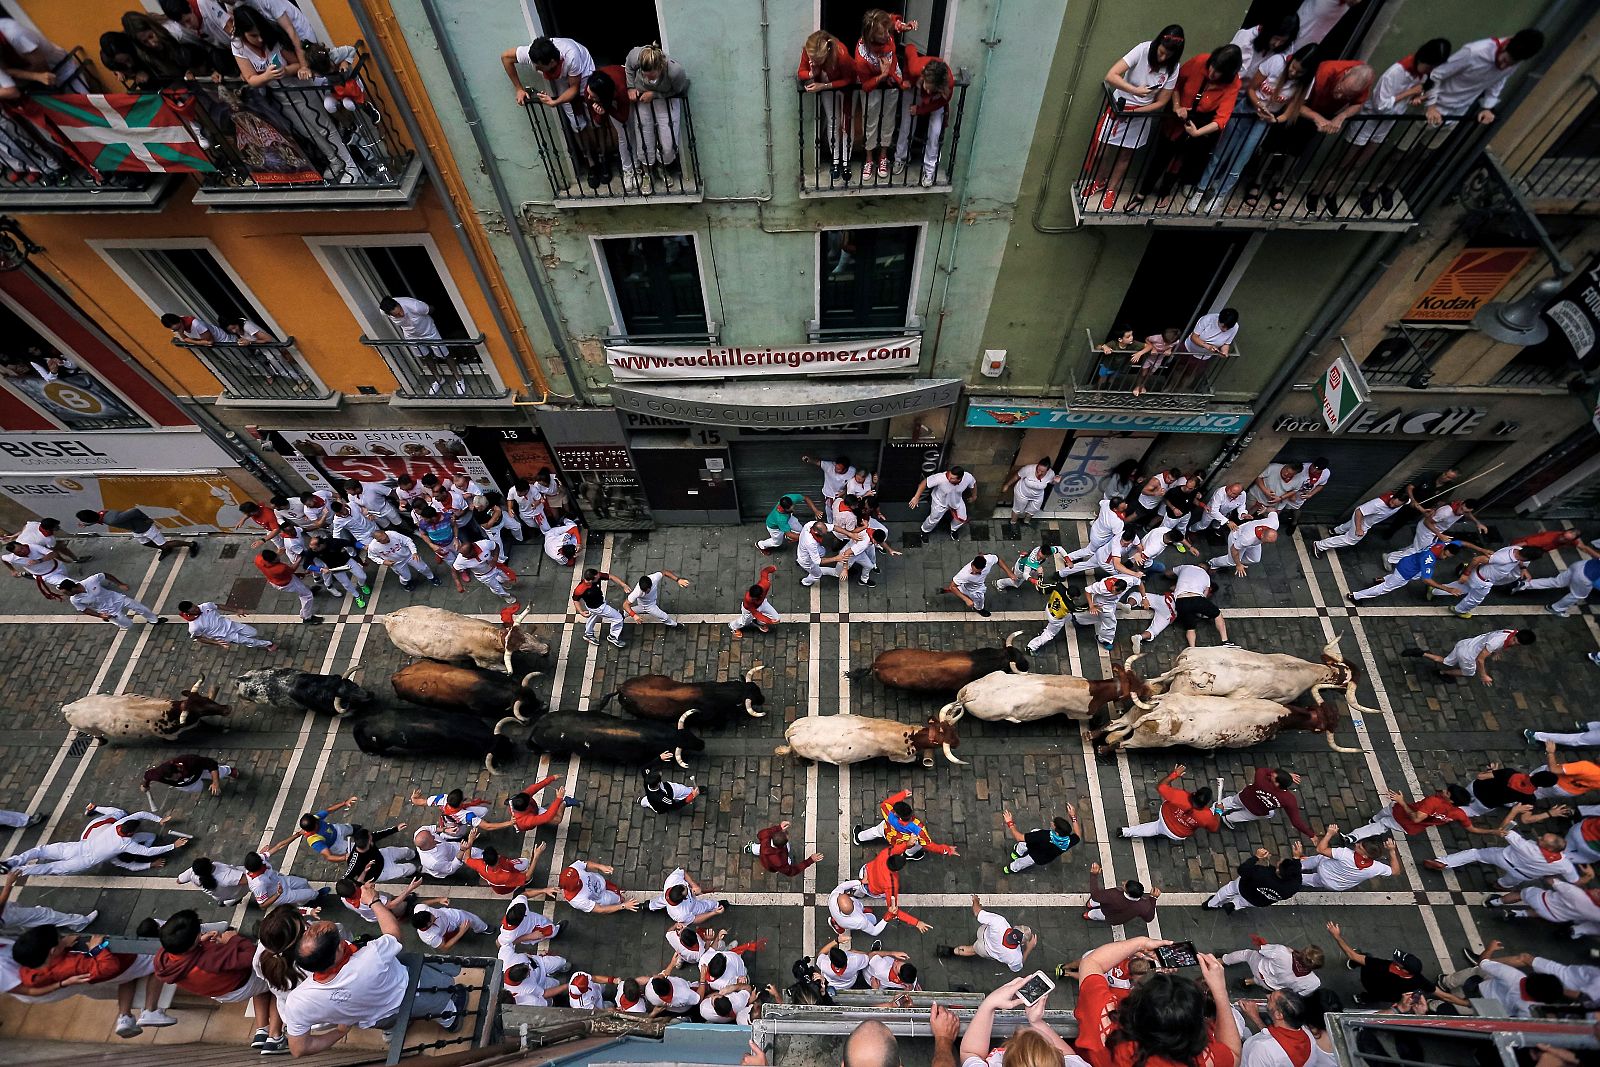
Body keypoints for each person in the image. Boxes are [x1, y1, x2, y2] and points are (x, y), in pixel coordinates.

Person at [257, 901, 463, 1055]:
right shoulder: (366, 958)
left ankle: (393, 1029)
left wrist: (340, 1032)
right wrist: (373, 900)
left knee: (387, 1019)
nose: (309, 927)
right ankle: (449, 1018)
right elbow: (393, 935)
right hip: (405, 991)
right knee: (437, 999)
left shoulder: (291, 992)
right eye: (304, 928)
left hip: (369, 1016)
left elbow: (299, 1048)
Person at [1075, 935, 1242, 1067]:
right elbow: (1233, 1054)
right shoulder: (1202, 1060)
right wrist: (1220, 992)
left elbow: (1091, 962)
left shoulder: (1107, 1027)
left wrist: (1141, 942)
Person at [1191, 18, 1301, 212]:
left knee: (1241, 158)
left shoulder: (1285, 55)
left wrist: (1272, 116)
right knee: (1220, 151)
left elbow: (1291, 106)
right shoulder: (1247, 38)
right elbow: (1237, 76)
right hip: (1239, 101)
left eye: (1281, 41)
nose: (1276, 44)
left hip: (1260, 113)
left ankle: (1219, 194)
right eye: (1275, 38)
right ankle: (1201, 189)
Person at [153, 909, 283, 1054]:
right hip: (242, 983)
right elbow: (250, 957)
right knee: (278, 981)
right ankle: (275, 1037)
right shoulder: (209, 959)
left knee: (262, 988)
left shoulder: (163, 959)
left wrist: (201, 941)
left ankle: (262, 1030)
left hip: (222, 991)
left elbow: (188, 958)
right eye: (199, 932)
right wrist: (233, 939)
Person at [10, 926, 167, 1038]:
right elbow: (109, 967)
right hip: (122, 962)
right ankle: (150, 1010)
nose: (62, 938)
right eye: (59, 939)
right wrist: (96, 949)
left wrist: (63, 946)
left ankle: (125, 1018)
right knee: (158, 961)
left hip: (110, 974)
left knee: (128, 978)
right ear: (52, 951)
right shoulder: (72, 965)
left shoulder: (30, 971)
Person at [1090, 27, 1185, 211]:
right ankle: (1099, 181)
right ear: (1157, 44)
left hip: (1141, 113)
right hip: (1120, 107)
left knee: (1126, 154)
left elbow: (1161, 102)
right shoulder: (1142, 49)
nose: (1163, 58)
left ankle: (1111, 189)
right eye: (1161, 53)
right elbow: (1111, 76)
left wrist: (1138, 111)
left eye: (1168, 56)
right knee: (1101, 150)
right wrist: (1135, 91)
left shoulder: (1174, 68)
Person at [2, 804, 188, 876]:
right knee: (51, 867)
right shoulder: (126, 845)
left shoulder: (119, 824)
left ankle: (12, 863)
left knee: (42, 850)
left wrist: (159, 819)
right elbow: (148, 851)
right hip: (83, 860)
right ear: (130, 835)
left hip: (77, 848)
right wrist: (173, 845)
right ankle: (17, 871)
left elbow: (139, 814)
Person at [1323, 921, 1468, 1009]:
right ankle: (1363, 999)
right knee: (1376, 995)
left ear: (1401, 968)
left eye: (1398, 961)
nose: (1395, 961)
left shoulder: (1382, 966)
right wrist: (1467, 1004)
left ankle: (1354, 965)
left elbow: (1352, 954)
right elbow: (1445, 996)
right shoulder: (1418, 980)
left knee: (1364, 957)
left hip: (1369, 980)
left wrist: (1336, 935)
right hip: (1384, 994)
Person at [1424, 30, 1544, 128]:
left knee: (1432, 147)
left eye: (1509, 65)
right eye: (1504, 61)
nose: (1503, 67)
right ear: (1505, 47)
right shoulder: (1474, 52)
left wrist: (1487, 108)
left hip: (1460, 111)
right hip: (1436, 104)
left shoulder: (1517, 59)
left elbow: (1499, 81)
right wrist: (1431, 106)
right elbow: (1436, 74)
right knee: (1410, 141)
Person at [1422, 817, 1586, 887]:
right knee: (1508, 883)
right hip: (1523, 875)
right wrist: (1589, 876)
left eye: (1544, 839)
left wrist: (1514, 812)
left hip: (1503, 858)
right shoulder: (1565, 865)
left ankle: (1444, 862)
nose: (1541, 837)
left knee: (1475, 853)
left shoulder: (1526, 847)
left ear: (1550, 848)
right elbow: (1574, 881)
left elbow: (1505, 829)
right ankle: (1498, 886)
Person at [853, 9, 915, 184]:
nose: (888, 35)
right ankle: (869, 159)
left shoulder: (885, 28)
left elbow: (894, 21)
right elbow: (865, 85)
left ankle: (883, 157)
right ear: (870, 35)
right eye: (882, 34)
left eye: (887, 31)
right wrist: (882, 75)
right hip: (872, 84)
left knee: (888, 119)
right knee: (870, 121)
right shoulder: (862, 57)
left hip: (892, 80)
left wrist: (904, 26)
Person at [1437, 941, 1569, 1018]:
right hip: (1485, 1008)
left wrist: (1490, 949)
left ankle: (1445, 982)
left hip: (1478, 987)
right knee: (1463, 1008)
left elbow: (1483, 962)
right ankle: (1434, 1005)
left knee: (1479, 969)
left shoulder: (1514, 977)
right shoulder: (1530, 1008)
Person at [624, 43, 689, 188]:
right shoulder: (636, 56)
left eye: (651, 74)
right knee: (644, 137)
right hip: (642, 100)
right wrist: (631, 87)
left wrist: (655, 94)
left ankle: (663, 168)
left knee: (668, 142)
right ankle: (647, 173)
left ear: (660, 67)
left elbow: (679, 90)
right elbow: (628, 65)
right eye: (644, 73)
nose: (647, 77)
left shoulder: (674, 71)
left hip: (666, 99)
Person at [1345, 788, 1514, 842]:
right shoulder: (1458, 814)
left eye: (1447, 792)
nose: (1444, 791)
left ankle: (1353, 837)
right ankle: (1368, 824)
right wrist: (1493, 831)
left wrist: (1402, 801)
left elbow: (1416, 817)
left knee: (1380, 824)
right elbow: (1472, 829)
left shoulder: (1434, 801)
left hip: (1405, 815)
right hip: (1410, 827)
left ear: (1451, 799)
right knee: (1382, 818)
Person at [1429, 544, 1544, 617]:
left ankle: (1434, 590)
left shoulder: (1517, 549)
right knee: (1474, 600)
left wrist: (1523, 568)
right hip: (1482, 581)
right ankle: (1459, 610)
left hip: (1478, 574)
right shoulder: (1502, 559)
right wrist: (1465, 574)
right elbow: (1476, 559)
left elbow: (1519, 560)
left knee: (1460, 588)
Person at [895, 43, 953, 186]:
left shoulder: (947, 86)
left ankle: (929, 169)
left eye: (931, 89)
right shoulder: (917, 67)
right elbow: (909, 48)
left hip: (934, 99)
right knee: (906, 123)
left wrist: (920, 110)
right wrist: (907, 77)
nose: (928, 91)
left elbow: (938, 104)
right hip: (914, 85)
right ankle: (900, 158)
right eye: (928, 86)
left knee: (935, 131)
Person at [378, 295, 461, 395]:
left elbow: (431, 309)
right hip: (411, 335)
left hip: (429, 331)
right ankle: (439, 379)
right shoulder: (383, 312)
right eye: (397, 315)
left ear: (399, 304)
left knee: (444, 354)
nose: (401, 314)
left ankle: (459, 379)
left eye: (400, 311)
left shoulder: (416, 306)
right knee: (424, 356)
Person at [1136, 563, 1229, 650]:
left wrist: (1177, 578)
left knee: (1190, 627)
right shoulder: (1206, 576)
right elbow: (1205, 593)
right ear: (1206, 570)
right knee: (1217, 614)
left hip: (1181, 601)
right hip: (1196, 598)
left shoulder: (1185, 567)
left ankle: (1192, 648)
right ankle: (1225, 641)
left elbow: (1167, 573)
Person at [1404, 627, 1534, 687]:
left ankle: (1421, 653)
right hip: (1469, 655)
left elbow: (1499, 643)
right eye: (1515, 640)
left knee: (1445, 660)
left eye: (1516, 643)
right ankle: (1442, 673)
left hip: (1465, 644)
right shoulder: (1497, 642)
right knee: (1469, 673)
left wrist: (1496, 652)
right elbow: (1480, 659)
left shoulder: (1510, 632)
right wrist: (1483, 675)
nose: (1513, 643)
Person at [1122, 763, 1220, 841]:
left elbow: (1160, 787)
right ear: (1205, 804)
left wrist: (1174, 774)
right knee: (1154, 829)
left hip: (1164, 816)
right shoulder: (1207, 816)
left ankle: (1126, 832)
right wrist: (1218, 812)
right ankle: (1127, 832)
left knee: (1155, 828)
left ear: (1194, 793)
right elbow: (1214, 828)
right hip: (1177, 834)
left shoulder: (1180, 796)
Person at [936, 896, 1034, 973]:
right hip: (984, 950)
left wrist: (975, 900)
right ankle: (949, 952)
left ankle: (949, 950)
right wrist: (1028, 949)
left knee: (978, 937)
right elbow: (1017, 968)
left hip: (982, 932)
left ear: (1015, 927)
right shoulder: (1015, 956)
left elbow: (977, 912)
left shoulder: (999, 922)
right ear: (1021, 944)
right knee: (972, 950)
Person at [1346, 538, 1461, 603]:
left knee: (1394, 577)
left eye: (1447, 557)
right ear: (1445, 549)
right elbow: (1426, 580)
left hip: (1407, 563)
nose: (1444, 558)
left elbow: (1459, 542)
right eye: (1445, 555)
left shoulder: (1443, 543)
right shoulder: (1428, 559)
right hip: (1406, 572)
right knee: (1384, 589)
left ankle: (1380, 579)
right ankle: (1355, 596)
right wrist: (1447, 588)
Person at [1384, 498, 1485, 566]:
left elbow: (1467, 514)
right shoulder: (1445, 512)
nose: (1461, 513)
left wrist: (1477, 523)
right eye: (1462, 509)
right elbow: (1427, 522)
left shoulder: (1462, 507)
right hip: (1427, 529)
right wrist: (1439, 535)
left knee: (1418, 546)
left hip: (1434, 531)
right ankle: (1389, 558)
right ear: (1462, 503)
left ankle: (1402, 551)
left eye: (1465, 511)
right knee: (1419, 550)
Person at [1204, 843, 1304, 911]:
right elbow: (1295, 871)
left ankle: (1210, 904)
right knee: (1242, 902)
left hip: (1243, 887)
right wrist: (1296, 858)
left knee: (1228, 890)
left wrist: (1256, 857)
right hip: (1259, 901)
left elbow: (1242, 870)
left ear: (1278, 870)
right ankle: (1233, 905)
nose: (1278, 861)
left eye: (1278, 864)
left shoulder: (1261, 873)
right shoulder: (1294, 885)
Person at [1218, 768, 1315, 837]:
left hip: (1244, 797)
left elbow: (1264, 770)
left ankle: (1216, 808)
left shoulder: (1260, 779)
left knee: (1231, 801)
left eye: (1273, 776)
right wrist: (1311, 835)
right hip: (1256, 811)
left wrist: (1287, 774)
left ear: (1277, 783)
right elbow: (1296, 821)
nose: (1271, 774)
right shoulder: (1289, 799)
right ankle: (1228, 819)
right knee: (1265, 814)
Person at [1298, 825, 1397, 891]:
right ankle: (1294, 878)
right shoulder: (1376, 868)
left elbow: (1320, 849)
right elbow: (1395, 871)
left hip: (1324, 869)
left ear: (1365, 855)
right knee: (1310, 880)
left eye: (1360, 847)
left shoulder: (1345, 854)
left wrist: (1329, 834)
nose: (1356, 844)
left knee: (1320, 857)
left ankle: (1296, 866)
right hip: (1335, 885)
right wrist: (1392, 851)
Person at [1487, 879, 1600, 936]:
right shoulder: (1597, 913)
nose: (1596, 889)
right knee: (1542, 911)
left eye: (1598, 893)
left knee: (1519, 894)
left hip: (1539, 899)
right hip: (1554, 917)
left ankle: (1495, 901)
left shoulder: (1575, 892)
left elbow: (1552, 881)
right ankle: (1516, 913)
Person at [1312, 490, 1407, 557]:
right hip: (1362, 520)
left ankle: (1335, 530)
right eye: (1392, 502)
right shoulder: (1378, 504)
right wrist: (1358, 528)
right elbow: (1359, 511)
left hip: (1366, 518)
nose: (1392, 505)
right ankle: (1319, 545)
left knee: (1350, 524)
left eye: (1396, 505)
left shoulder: (1405, 500)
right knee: (1351, 540)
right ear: (1393, 497)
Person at [0, 869, 96, 935]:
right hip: (4, 916)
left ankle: (41, 923)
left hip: (6, 915)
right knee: (45, 914)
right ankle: (79, 923)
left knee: (25, 916)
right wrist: (9, 883)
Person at [76, 507, 196, 559]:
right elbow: (97, 520)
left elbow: (135, 511)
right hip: (137, 530)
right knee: (145, 543)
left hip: (146, 527)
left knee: (165, 544)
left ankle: (191, 545)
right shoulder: (102, 514)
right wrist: (87, 524)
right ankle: (164, 549)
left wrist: (146, 518)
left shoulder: (112, 519)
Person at [476, 775, 580, 834]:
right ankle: (564, 802)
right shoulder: (526, 821)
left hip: (533, 812)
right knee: (556, 820)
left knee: (551, 819)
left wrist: (552, 778)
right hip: (534, 814)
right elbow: (547, 817)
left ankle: (563, 802)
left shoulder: (523, 797)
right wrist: (558, 799)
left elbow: (536, 787)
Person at [59, 572, 163, 630]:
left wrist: (119, 584)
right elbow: (84, 610)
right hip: (108, 611)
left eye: (66, 592)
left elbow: (105, 575)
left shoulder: (91, 581)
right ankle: (116, 621)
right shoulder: (74, 599)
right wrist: (100, 616)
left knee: (141, 608)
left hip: (117, 599)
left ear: (72, 588)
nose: (66, 595)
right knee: (128, 625)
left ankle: (154, 620)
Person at [999, 803, 1081, 875]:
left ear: (1057, 831)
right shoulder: (1068, 842)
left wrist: (1010, 823)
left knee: (1029, 840)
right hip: (1042, 858)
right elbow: (1078, 835)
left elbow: (1019, 837)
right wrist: (1073, 817)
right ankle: (1013, 866)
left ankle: (1015, 857)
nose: (1051, 823)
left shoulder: (1043, 835)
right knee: (1024, 862)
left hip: (1035, 850)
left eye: (1054, 824)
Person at [1223, 940, 1324, 997]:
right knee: (1263, 981)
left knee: (1246, 954)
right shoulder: (1313, 982)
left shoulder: (1282, 951)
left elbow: (1262, 950)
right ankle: (1246, 982)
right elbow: (1298, 994)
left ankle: (1223, 960)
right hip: (1271, 987)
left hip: (1258, 968)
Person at [1515, 551, 1600, 617]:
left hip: (1581, 565)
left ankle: (1525, 584)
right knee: (1577, 595)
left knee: (1557, 581)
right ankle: (1556, 608)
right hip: (1586, 577)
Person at [1074, 574, 1142, 652]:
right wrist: (1091, 606)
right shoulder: (1102, 587)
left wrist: (1144, 598)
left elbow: (1139, 582)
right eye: (1114, 590)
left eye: (1117, 592)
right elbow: (1088, 590)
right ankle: (1104, 640)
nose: (1114, 592)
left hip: (1112, 603)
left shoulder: (1129, 581)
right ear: (1113, 585)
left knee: (1099, 616)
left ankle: (1078, 619)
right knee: (1110, 623)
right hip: (1102, 603)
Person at [253, 548, 323, 625]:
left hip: (276, 580)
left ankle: (308, 590)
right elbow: (292, 569)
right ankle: (307, 617)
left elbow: (288, 572)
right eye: (276, 558)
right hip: (288, 583)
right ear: (272, 561)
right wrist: (300, 558)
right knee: (307, 595)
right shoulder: (280, 568)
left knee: (302, 588)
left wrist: (278, 553)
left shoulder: (258, 559)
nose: (279, 558)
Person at [462, 827, 538, 895]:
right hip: (509, 888)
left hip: (498, 888)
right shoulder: (505, 875)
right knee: (525, 862)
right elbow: (527, 876)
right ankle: (522, 883)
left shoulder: (480, 865)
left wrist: (470, 840)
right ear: (498, 857)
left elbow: (466, 859)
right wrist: (536, 857)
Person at [911, 466, 978, 542]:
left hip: (956, 501)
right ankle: (924, 531)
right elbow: (924, 482)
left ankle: (953, 529)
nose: (949, 478)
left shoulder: (967, 477)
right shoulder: (941, 477)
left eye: (952, 478)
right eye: (949, 476)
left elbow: (973, 484)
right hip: (939, 502)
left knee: (962, 518)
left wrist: (974, 496)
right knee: (934, 519)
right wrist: (916, 497)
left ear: (959, 479)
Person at [245, 846, 325, 909]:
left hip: (281, 881)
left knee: (304, 882)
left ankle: (303, 901)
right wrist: (278, 893)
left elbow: (279, 846)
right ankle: (315, 897)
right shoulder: (258, 884)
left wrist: (297, 835)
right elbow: (263, 905)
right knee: (311, 893)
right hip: (281, 895)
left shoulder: (256, 862)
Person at [178, 599, 275, 651]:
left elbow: (219, 606)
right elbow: (199, 638)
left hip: (231, 624)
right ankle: (268, 644)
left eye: (195, 606)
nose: (197, 609)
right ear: (188, 612)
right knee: (248, 641)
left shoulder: (205, 606)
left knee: (253, 632)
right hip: (225, 635)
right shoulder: (194, 627)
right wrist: (217, 643)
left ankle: (249, 642)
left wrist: (237, 610)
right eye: (193, 610)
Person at [141, 754, 235, 805]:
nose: (175, 779)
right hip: (186, 784)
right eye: (172, 778)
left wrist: (215, 782)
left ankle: (230, 771)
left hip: (200, 771)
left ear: (178, 768)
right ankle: (204, 785)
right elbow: (147, 776)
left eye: (176, 776)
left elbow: (212, 764)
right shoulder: (157, 774)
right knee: (198, 788)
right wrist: (145, 785)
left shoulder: (190, 760)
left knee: (221, 772)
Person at [942, 553, 1016, 617]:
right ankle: (979, 609)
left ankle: (951, 591)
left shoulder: (988, 560)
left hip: (969, 585)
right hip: (975, 590)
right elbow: (952, 586)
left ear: (984, 567)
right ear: (972, 564)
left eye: (977, 572)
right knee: (979, 601)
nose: (974, 573)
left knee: (959, 588)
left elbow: (998, 560)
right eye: (973, 570)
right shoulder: (964, 574)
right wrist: (966, 600)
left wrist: (1009, 572)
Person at [557, 858, 640, 915]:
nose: (579, 874)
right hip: (603, 898)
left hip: (602, 883)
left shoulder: (572, 869)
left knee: (615, 889)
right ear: (576, 884)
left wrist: (600, 867)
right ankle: (619, 900)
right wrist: (624, 906)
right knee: (620, 899)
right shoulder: (577, 900)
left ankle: (617, 892)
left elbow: (585, 864)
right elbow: (600, 909)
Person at [1210, 511, 1280, 577]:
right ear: (1262, 536)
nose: (1267, 544)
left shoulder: (1274, 523)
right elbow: (1234, 549)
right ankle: (1212, 563)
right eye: (1267, 541)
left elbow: (1272, 511)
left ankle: (1238, 558)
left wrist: (1266, 509)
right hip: (1236, 538)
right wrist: (1238, 564)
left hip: (1253, 541)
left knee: (1255, 559)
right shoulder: (1247, 538)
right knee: (1232, 561)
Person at [1084, 862, 1158, 923]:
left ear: (1128, 893)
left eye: (1125, 885)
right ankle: (1089, 915)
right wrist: (1153, 898)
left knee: (1097, 904)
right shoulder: (1143, 905)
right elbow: (1149, 918)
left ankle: (1090, 906)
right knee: (1096, 914)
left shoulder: (1114, 895)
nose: (1123, 882)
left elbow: (1096, 896)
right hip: (1113, 917)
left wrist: (1094, 875)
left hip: (1106, 910)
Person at [573, 566, 628, 648]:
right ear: (591, 580)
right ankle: (613, 636)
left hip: (594, 605)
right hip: (599, 608)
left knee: (593, 616)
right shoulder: (580, 589)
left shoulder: (596, 576)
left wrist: (623, 585)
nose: (599, 576)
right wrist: (580, 611)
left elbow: (610, 576)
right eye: (597, 576)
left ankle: (588, 634)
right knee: (618, 618)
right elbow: (575, 600)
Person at [366, 528, 436, 590]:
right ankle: (405, 584)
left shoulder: (393, 534)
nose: (387, 539)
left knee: (423, 568)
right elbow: (372, 556)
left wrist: (414, 552)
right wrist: (383, 562)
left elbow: (408, 541)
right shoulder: (373, 547)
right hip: (396, 563)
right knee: (406, 577)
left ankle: (432, 577)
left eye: (386, 536)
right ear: (378, 541)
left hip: (408, 556)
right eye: (384, 540)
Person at [453, 539, 517, 605]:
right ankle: (507, 596)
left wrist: (495, 559)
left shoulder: (484, 544)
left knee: (506, 578)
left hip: (495, 567)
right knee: (497, 588)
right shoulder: (461, 560)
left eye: (465, 555)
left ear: (473, 550)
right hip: (484, 576)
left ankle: (504, 583)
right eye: (462, 554)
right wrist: (458, 583)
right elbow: (454, 570)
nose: (463, 556)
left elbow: (496, 546)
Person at [748, 820, 822, 877]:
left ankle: (751, 848)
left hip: (763, 851)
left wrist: (779, 827)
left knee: (759, 849)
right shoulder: (780, 862)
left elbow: (760, 834)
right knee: (788, 862)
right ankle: (752, 848)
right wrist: (810, 860)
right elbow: (791, 871)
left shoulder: (766, 836)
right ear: (783, 846)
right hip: (770, 866)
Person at [1001, 458, 1062, 525]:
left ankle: (1026, 521)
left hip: (1037, 495)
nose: (1039, 472)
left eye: (1042, 471)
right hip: (1022, 492)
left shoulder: (1051, 473)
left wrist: (1055, 482)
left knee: (1033, 510)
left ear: (1047, 471)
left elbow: (1051, 482)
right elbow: (1016, 476)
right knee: (1018, 509)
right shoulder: (1028, 469)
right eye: (1038, 469)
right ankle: (1013, 522)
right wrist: (1007, 485)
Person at [411, 899, 489, 950]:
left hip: (448, 914)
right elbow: (445, 947)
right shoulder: (430, 937)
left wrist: (439, 899)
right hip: (447, 930)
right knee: (456, 935)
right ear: (427, 925)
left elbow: (423, 903)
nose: (435, 916)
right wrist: (461, 932)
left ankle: (483, 928)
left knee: (469, 918)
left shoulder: (420, 909)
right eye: (433, 919)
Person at [731, 563, 780, 637]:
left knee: (776, 618)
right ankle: (733, 626)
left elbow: (764, 572)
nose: (752, 598)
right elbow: (755, 613)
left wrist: (771, 568)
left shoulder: (765, 584)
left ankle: (759, 623)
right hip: (750, 610)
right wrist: (769, 621)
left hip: (762, 603)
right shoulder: (748, 600)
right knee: (744, 622)